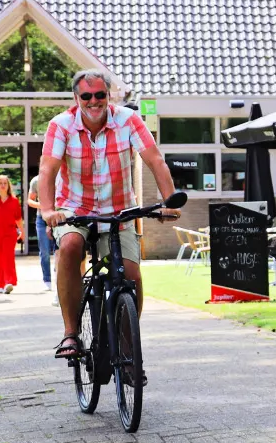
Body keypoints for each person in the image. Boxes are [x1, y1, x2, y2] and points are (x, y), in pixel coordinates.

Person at [38, 70, 180, 365]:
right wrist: (48, 210)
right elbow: (47, 169)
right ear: (76, 98)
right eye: (86, 96)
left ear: (109, 95)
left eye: (100, 95)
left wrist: (169, 201)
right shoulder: (60, 125)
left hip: (119, 211)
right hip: (75, 209)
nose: (94, 101)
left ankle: (128, 351)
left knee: (132, 276)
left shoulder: (128, 120)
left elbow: (155, 159)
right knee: (70, 247)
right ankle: (70, 333)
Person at [25, 183, 54, 297]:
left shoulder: (60, 177)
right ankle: (47, 280)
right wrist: (42, 205)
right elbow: (30, 200)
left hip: (58, 217)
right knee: (44, 251)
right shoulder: (36, 181)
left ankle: (59, 278)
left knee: (59, 251)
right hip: (42, 219)